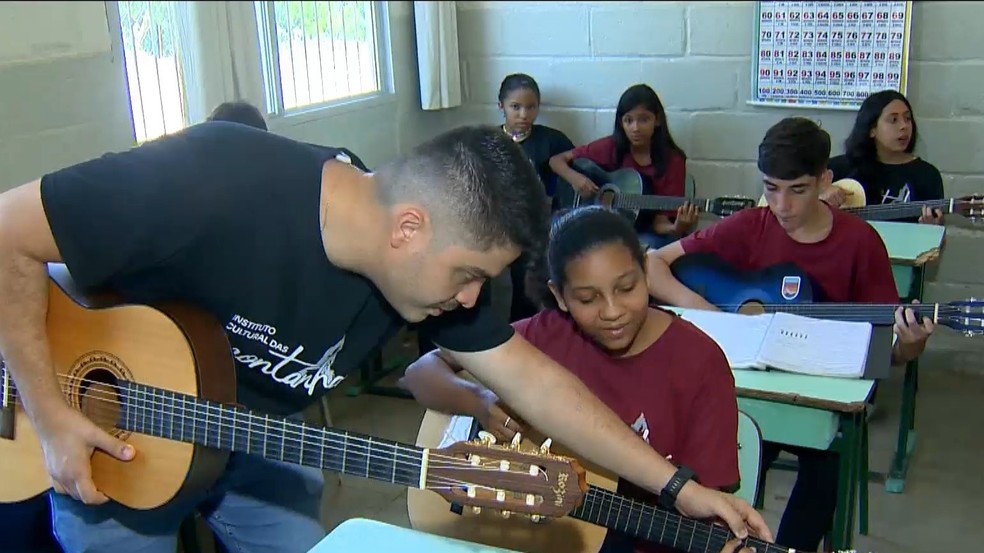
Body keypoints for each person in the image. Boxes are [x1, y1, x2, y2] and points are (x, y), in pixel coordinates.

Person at [0, 123, 770, 553]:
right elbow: (7, 232)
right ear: (410, 227)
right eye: (468, 275)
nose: (470, 300)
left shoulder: (429, 280)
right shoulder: (211, 181)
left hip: (259, 435)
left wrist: (676, 486)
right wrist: (47, 402)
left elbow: (535, 381)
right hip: (93, 426)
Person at [644, 117, 934, 551]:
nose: (781, 204)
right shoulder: (751, 225)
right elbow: (652, 264)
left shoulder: (860, 242)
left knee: (825, 473)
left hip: (821, 394)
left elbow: (883, 353)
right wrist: (713, 315)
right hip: (746, 383)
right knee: (715, 458)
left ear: (824, 181)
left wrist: (910, 345)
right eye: (771, 187)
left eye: (797, 189)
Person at [400, 205, 743, 553]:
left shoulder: (699, 361)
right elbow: (421, 373)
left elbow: (711, 504)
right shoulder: (544, 335)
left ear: (646, 272)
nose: (612, 311)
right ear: (560, 296)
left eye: (626, 288)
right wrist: (479, 401)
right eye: (587, 298)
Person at [549, 84, 697, 250]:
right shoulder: (612, 146)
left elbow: (660, 222)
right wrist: (575, 178)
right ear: (621, 122)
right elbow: (556, 160)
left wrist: (677, 227)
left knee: (651, 246)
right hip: (602, 226)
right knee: (558, 225)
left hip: (642, 230)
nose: (635, 128)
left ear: (658, 120)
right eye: (629, 120)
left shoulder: (673, 161)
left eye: (644, 119)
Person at [495, 73, 576, 322]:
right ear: (501, 106)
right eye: (515, 107)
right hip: (500, 222)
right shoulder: (490, 142)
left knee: (533, 262)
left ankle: (535, 324)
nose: (523, 115)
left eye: (531, 107)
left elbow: (577, 176)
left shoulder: (552, 141)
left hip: (542, 224)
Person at [826, 90, 944, 224]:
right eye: (894, 120)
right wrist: (822, 194)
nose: (904, 126)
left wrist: (933, 229)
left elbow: (938, 241)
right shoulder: (839, 168)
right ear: (872, 129)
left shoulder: (927, 175)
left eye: (907, 118)